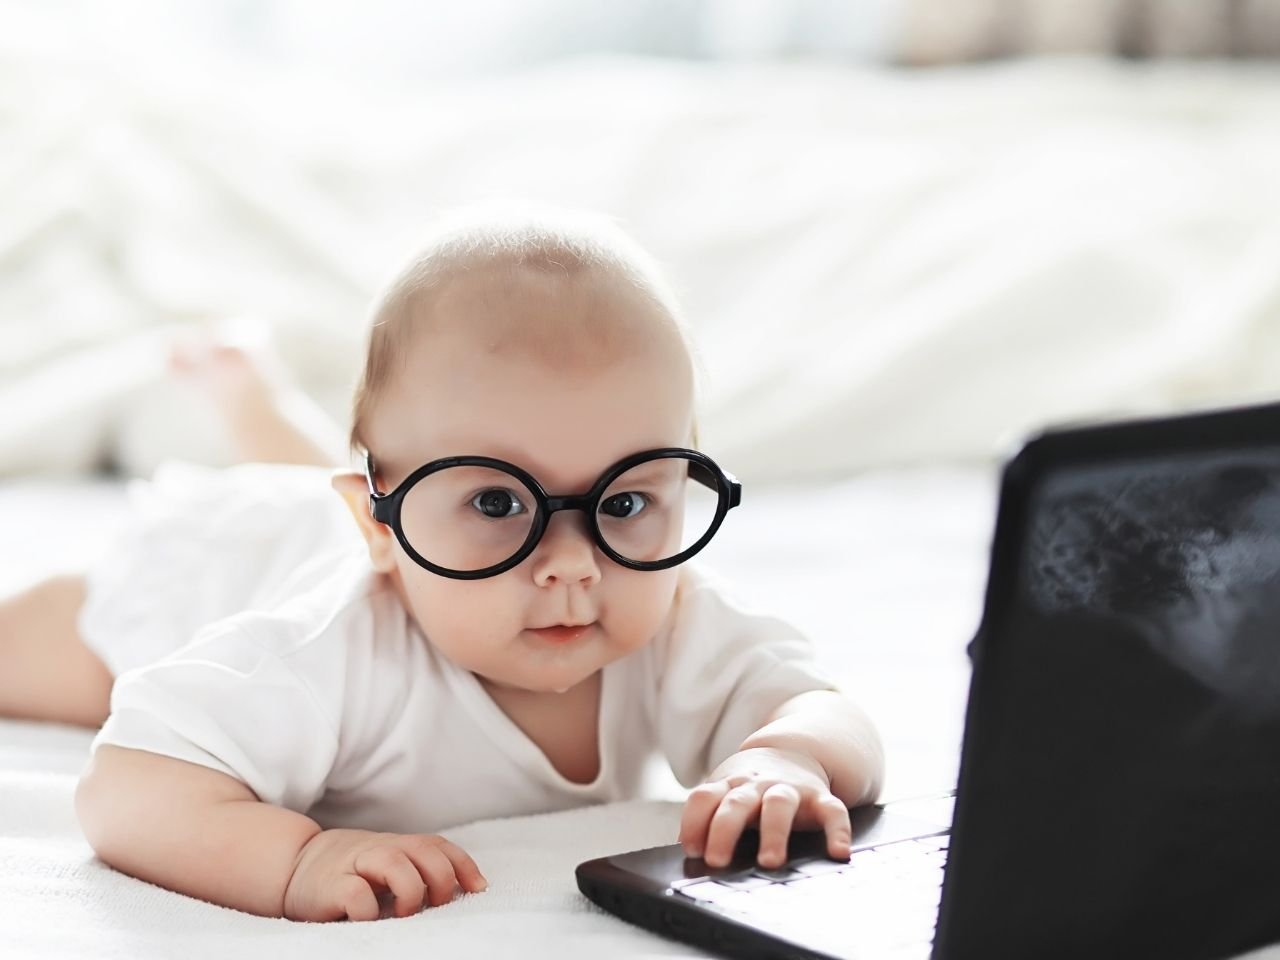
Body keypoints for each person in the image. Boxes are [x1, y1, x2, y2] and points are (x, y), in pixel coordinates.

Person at [4, 206, 884, 921]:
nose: (572, 565)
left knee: (332, 482)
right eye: (499, 504)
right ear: (378, 528)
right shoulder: (326, 650)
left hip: (375, 509)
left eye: (623, 500)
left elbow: (827, 713)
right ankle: (256, 407)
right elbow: (125, 791)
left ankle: (263, 406)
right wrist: (299, 856)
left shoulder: (675, 612)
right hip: (232, 561)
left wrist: (788, 760)